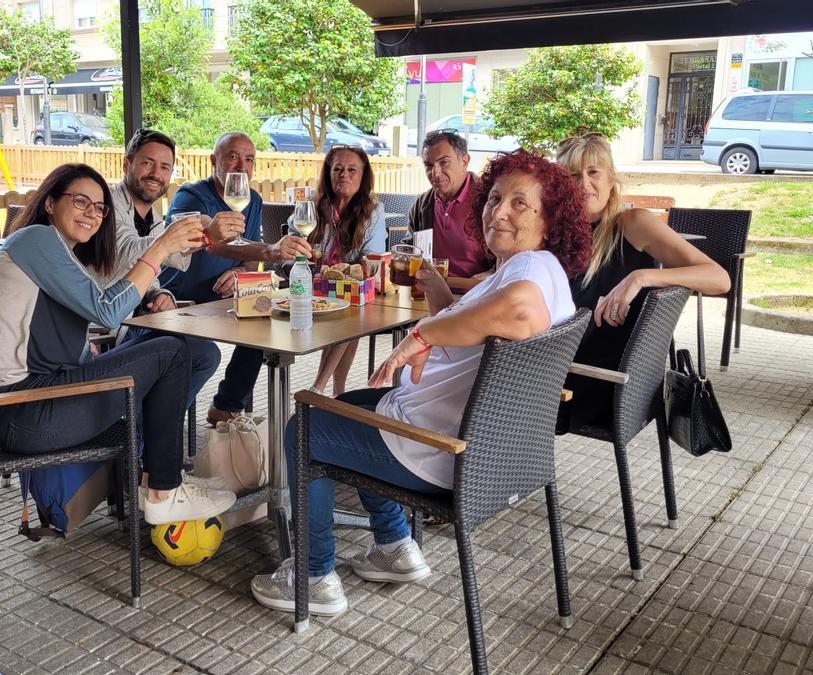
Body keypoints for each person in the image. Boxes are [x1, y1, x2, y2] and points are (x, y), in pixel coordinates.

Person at [251, 150, 591, 616]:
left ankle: (311, 576)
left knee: (304, 427)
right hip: (483, 450)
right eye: (494, 199)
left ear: (550, 221)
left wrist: (421, 335)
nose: (500, 211)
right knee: (354, 403)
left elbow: (519, 312)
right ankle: (395, 547)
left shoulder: (528, 274)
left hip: (436, 449)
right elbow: (474, 324)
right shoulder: (536, 269)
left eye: (520, 204)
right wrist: (435, 291)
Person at [0, 163, 237, 524]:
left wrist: (89, 348)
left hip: (40, 396)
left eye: (99, 207)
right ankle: (163, 490)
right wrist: (161, 248)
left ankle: (149, 473)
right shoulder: (36, 239)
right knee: (171, 352)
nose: (92, 213)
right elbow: (108, 311)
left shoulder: (62, 251)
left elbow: (89, 309)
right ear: (50, 203)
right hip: (20, 409)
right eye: (81, 201)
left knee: (188, 348)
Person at [554, 133, 730, 432]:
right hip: (568, 370)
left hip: (594, 384)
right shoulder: (560, 234)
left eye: (592, 172)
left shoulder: (632, 224)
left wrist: (643, 276)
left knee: (479, 394)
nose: (583, 183)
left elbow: (719, 279)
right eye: (573, 175)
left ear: (611, 179)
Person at [166, 131, 312, 424]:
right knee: (200, 352)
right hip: (182, 299)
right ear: (213, 161)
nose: (241, 166)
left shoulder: (253, 199)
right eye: (233, 157)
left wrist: (239, 271)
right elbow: (211, 239)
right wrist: (271, 250)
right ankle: (162, 421)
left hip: (223, 296)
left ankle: (226, 404)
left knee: (264, 319)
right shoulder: (190, 195)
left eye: (249, 159)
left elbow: (246, 253)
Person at [103, 128, 237, 407]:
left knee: (205, 353)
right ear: (126, 164)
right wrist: (205, 235)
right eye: (147, 163)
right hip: (103, 331)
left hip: (136, 320)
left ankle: (150, 430)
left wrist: (157, 295)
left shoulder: (151, 214)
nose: (156, 173)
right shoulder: (106, 205)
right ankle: (137, 433)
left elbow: (143, 270)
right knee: (193, 353)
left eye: (165, 167)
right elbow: (126, 253)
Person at [290, 145, 386, 397]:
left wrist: (360, 269)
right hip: (309, 288)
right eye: (338, 169)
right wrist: (302, 259)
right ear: (328, 174)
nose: (345, 175)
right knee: (353, 315)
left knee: (352, 313)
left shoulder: (373, 212)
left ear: (363, 176)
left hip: (347, 292)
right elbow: (287, 253)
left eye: (352, 170)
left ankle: (321, 389)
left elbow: (373, 259)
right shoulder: (310, 208)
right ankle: (332, 392)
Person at [408, 129, 493, 291]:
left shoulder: (489, 201)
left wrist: (491, 273)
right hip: (429, 294)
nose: (435, 173)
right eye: (429, 165)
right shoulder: (421, 205)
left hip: (476, 296)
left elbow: (511, 259)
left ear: (464, 161)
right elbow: (412, 248)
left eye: (444, 162)